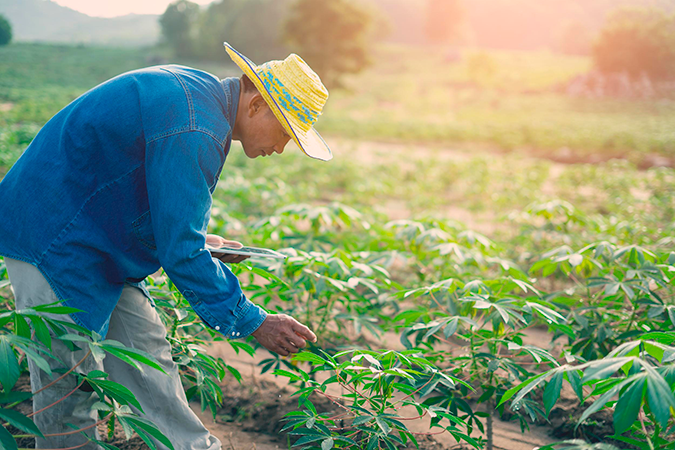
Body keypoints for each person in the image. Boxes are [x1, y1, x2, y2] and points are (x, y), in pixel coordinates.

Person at [0, 42, 332, 449]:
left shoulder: (202, 100)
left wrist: (195, 241)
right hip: (52, 235)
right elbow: (180, 253)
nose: (280, 148)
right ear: (257, 104)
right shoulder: (198, 126)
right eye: (284, 132)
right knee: (67, 385)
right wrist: (253, 321)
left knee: (147, 358)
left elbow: (151, 203)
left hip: (97, 238)